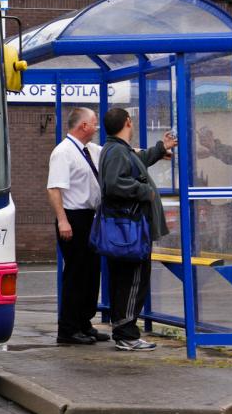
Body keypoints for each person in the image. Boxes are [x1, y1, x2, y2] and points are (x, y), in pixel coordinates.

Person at [99, 108, 177, 351]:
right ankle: (127, 334)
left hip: (127, 230)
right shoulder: (116, 152)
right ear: (128, 122)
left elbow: (136, 163)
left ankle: (124, 330)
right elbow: (115, 184)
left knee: (127, 279)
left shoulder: (117, 150)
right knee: (133, 280)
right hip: (129, 232)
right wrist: (145, 191)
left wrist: (160, 148)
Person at [47, 107, 108, 345]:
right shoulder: (63, 152)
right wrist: (63, 220)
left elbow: (118, 154)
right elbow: (54, 189)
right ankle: (68, 329)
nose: (97, 127)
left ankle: (84, 322)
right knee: (75, 273)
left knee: (91, 273)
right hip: (73, 218)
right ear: (83, 126)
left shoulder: (91, 150)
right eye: (95, 123)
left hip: (90, 217)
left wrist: (156, 152)